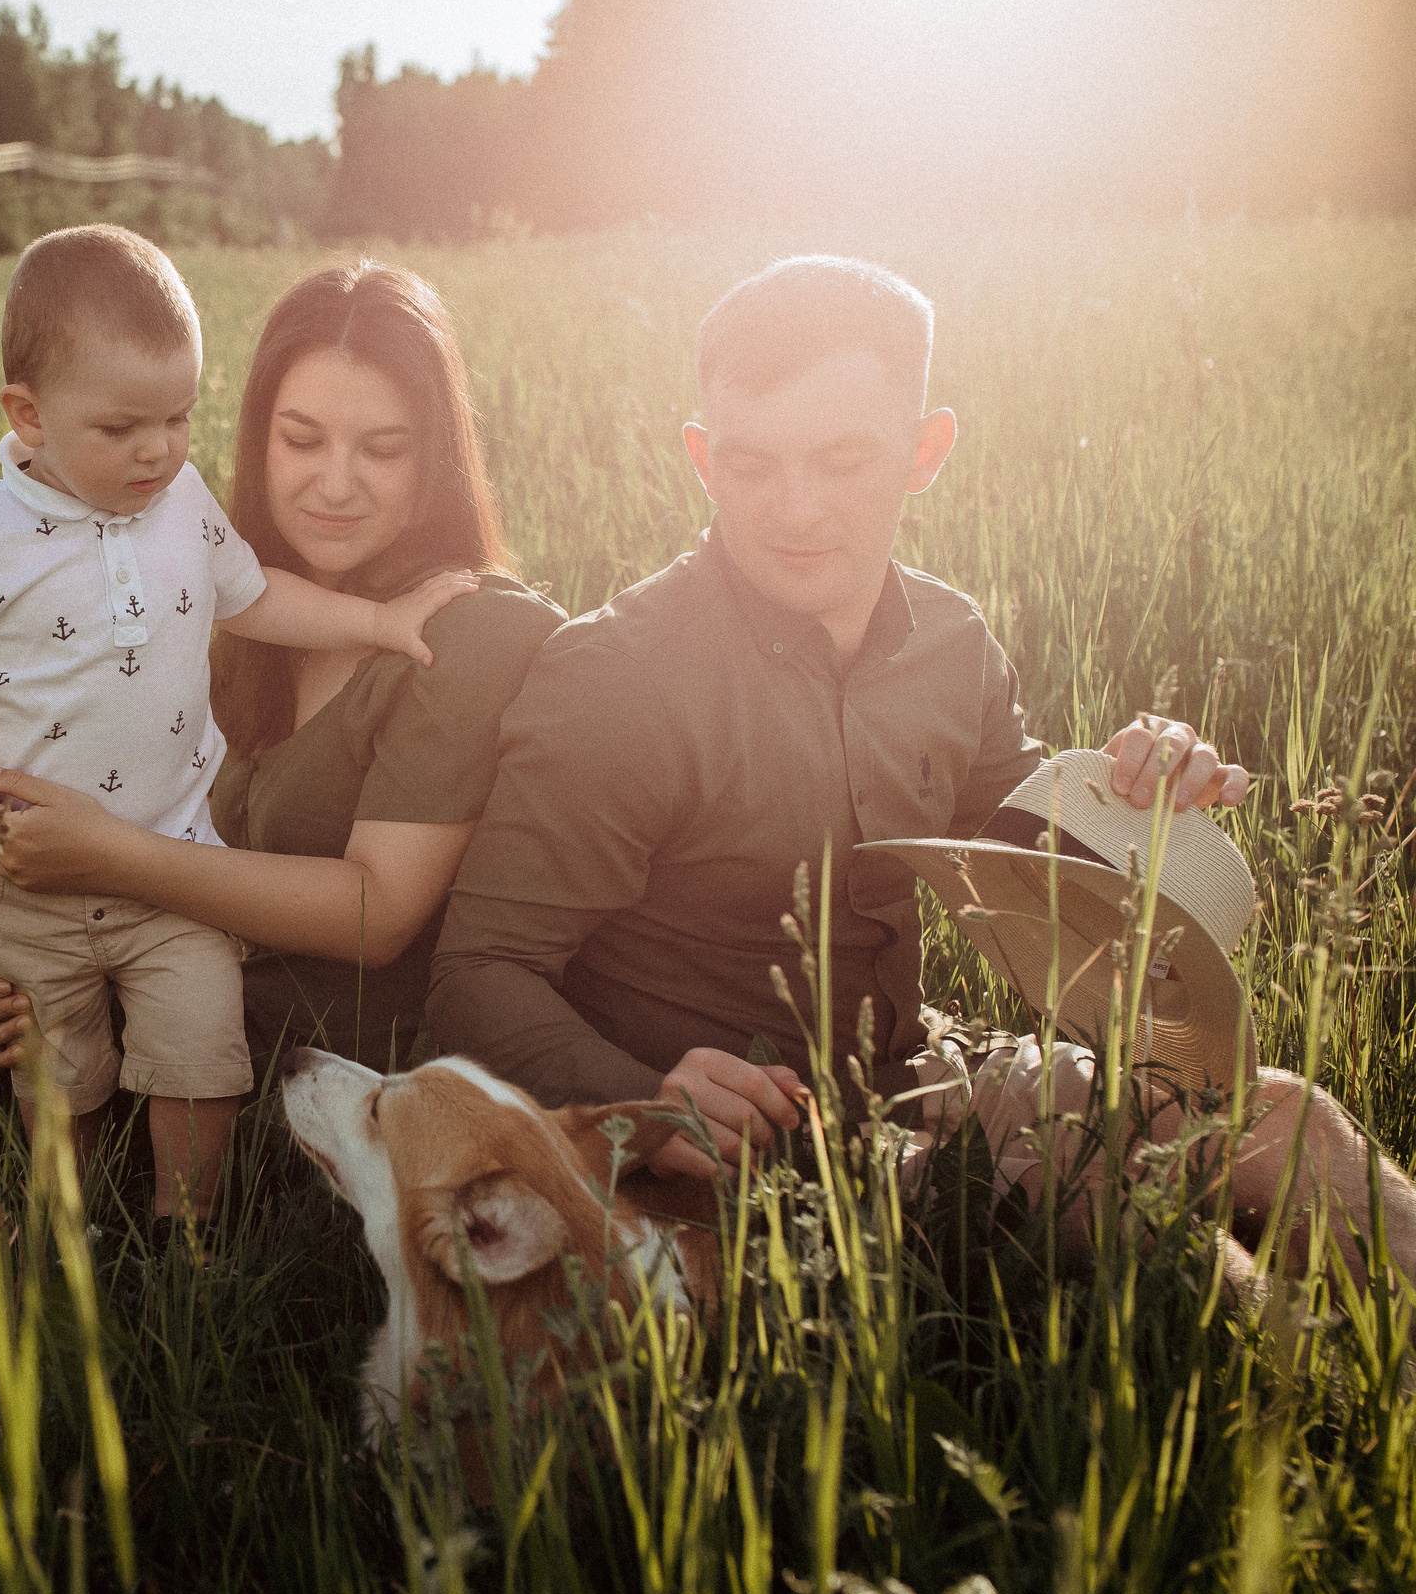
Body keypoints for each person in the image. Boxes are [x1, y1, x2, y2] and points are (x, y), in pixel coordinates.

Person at [424, 254, 1416, 1281]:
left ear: (924, 450)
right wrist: (641, 1102)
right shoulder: (616, 676)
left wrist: (1141, 792)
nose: (794, 509)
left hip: (917, 1073)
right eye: (752, 465)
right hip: (741, 1145)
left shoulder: (951, 641)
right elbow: (476, 973)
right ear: (702, 458)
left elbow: (1025, 858)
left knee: (1295, 1124)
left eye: (840, 461)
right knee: (1167, 1247)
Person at [0, 226, 475, 1224]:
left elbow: (256, 596)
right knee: (33, 1053)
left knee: (159, 1048)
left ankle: (183, 1238)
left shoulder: (182, 509)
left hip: (173, 882)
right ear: (28, 416)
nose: (159, 450)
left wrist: (380, 623)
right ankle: (67, 1227)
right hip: (35, 881)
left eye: (178, 418)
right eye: (123, 427)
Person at [0, 260, 565, 1219]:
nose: (335, 484)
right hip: (153, 1000)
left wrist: (110, 857)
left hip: (304, 1075)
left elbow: (377, 913)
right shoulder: (246, 605)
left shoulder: (471, 631)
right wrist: (16, 943)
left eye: (384, 449)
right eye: (301, 439)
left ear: (438, 456)